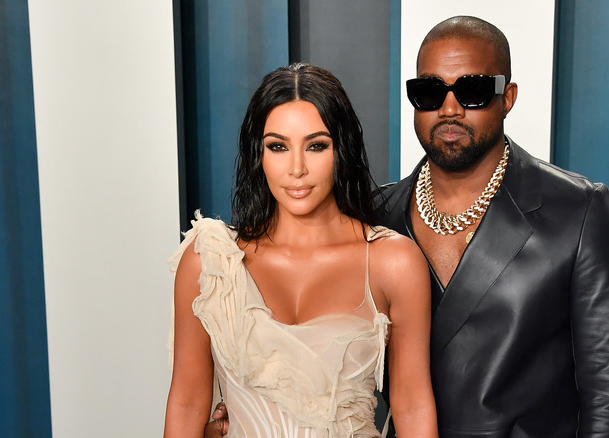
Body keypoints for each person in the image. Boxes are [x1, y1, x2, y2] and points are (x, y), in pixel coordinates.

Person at [374, 16, 609, 437]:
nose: (449, 109)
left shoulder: (580, 212)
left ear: (508, 96)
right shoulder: (376, 216)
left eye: (473, 89)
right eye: (429, 92)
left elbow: (608, 394)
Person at [164, 63, 438, 437]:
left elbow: (412, 405)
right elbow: (187, 404)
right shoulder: (210, 261)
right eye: (278, 146)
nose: (296, 168)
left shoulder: (393, 263)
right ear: (258, 155)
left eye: (316, 146)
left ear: (341, 150)